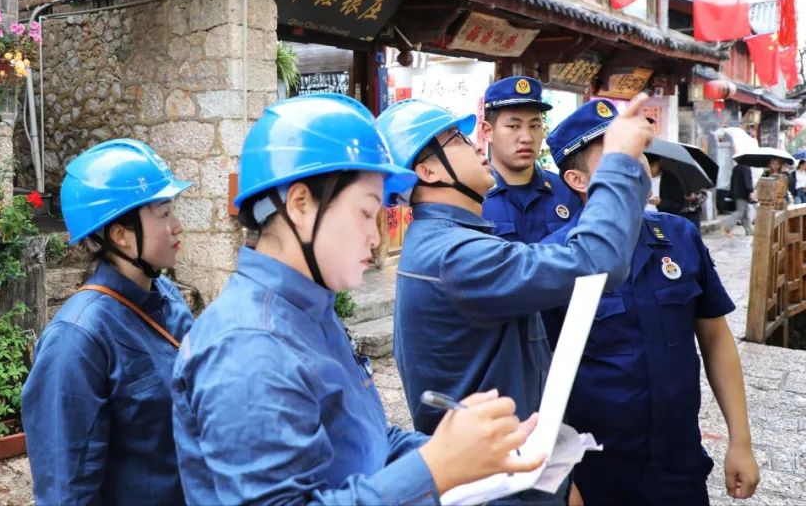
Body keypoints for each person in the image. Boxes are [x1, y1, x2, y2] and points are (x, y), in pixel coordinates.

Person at [171, 94, 545, 505]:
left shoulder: (308, 312)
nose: (375, 239)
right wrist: (434, 467)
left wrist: (467, 452)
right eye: (366, 213)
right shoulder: (249, 345)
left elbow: (368, 439)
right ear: (300, 205)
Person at [377, 94, 653, 506]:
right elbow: (596, 261)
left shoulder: (450, 242)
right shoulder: (455, 255)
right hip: (499, 487)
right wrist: (618, 161)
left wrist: (556, 476)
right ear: (427, 170)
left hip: (513, 472)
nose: (476, 145)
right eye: (457, 139)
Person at [542, 100, 759, 505]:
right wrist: (560, 477)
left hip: (678, 464)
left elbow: (715, 339)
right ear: (577, 179)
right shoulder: (556, 258)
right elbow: (539, 375)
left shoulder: (680, 237)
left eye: (638, 152)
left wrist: (740, 441)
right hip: (595, 470)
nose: (637, 164)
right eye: (618, 155)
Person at [21, 139, 194, 505]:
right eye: (164, 214)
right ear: (120, 235)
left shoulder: (167, 297)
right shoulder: (77, 339)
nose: (178, 227)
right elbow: (65, 489)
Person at [480, 76, 581, 243]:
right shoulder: (472, 197)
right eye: (513, 126)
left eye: (535, 126)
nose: (527, 138)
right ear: (488, 131)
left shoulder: (567, 192)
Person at [723, 160, 754, 236]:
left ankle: (749, 230)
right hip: (743, 194)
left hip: (736, 194)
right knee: (740, 212)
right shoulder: (746, 168)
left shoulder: (736, 168)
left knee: (745, 214)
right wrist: (751, 190)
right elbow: (747, 183)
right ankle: (727, 226)